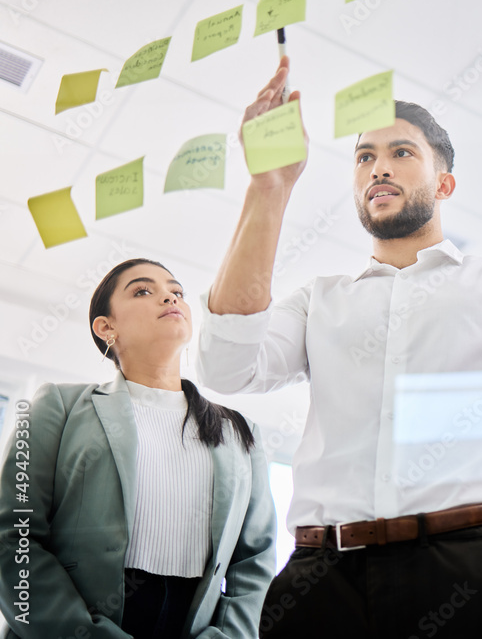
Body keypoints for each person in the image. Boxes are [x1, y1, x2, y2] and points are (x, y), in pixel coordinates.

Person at [196, 56, 482, 638]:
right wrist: (269, 187)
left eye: (401, 152)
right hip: (318, 582)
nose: (379, 166)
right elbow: (226, 367)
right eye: (365, 157)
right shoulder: (319, 301)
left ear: (444, 182)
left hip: (466, 567)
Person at [0, 258, 276, 639]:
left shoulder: (240, 432)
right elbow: (14, 535)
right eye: (144, 291)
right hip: (73, 622)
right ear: (106, 327)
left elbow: (254, 560)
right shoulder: (56, 406)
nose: (169, 297)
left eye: (176, 291)